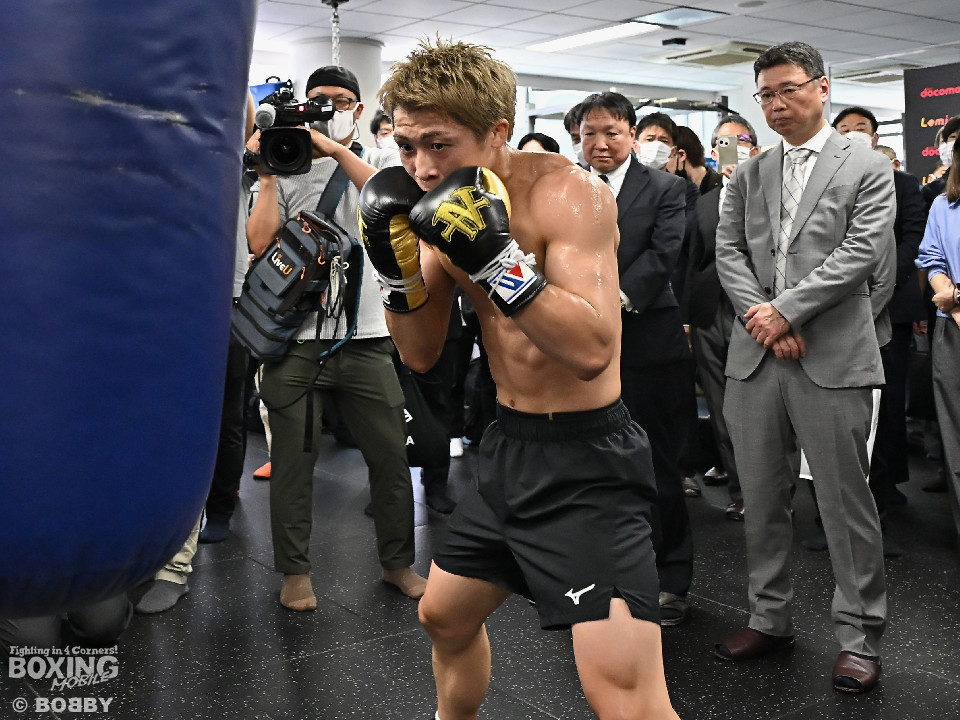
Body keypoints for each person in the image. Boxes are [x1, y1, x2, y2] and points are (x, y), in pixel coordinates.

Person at [363, 39, 679, 720]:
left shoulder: (570, 196)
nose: (421, 167)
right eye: (406, 146)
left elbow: (592, 349)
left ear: (496, 132)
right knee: (443, 615)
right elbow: (420, 353)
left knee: (624, 696)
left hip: (588, 462)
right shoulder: (435, 201)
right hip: (508, 448)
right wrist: (397, 273)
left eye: (439, 145)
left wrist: (495, 258)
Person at [713, 41, 895, 694]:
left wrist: (785, 312)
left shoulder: (866, 164)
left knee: (844, 504)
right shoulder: (750, 173)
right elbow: (729, 251)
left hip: (833, 355)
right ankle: (769, 617)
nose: (776, 103)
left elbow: (861, 253)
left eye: (788, 89)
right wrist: (763, 318)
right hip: (756, 358)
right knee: (762, 498)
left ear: (822, 87)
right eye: (765, 94)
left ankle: (859, 638)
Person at [246, 65, 427, 610]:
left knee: (391, 459)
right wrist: (269, 175)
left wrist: (333, 148)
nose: (331, 109)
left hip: (368, 340)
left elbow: (392, 199)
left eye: (343, 101)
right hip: (296, 344)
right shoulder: (285, 164)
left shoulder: (383, 163)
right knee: (293, 466)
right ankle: (294, 572)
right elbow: (258, 244)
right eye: (319, 99)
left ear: (358, 108)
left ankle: (398, 563)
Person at [580, 91, 696, 627]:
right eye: (589, 133)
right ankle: (603, 574)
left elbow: (663, 252)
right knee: (594, 467)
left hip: (647, 339)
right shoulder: (568, 188)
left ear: (631, 133)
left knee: (656, 464)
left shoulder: (667, 188)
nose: (600, 143)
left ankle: (670, 579)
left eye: (611, 132)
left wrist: (610, 304)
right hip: (580, 346)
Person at [682, 114, 763, 521]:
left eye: (740, 141)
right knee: (721, 406)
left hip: (759, 310)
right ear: (714, 153)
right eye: (722, 143)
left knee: (763, 407)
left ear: (755, 148)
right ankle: (741, 491)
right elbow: (693, 261)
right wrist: (687, 318)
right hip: (710, 312)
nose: (731, 149)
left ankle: (773, 492)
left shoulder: (772, 194)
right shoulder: (705, 201)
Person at [915, 137, 960, 550]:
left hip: (954, 307)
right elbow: (930, 256)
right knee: (955, 435)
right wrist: (944, 287)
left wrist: (957, 295)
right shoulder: (943, 205)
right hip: (951, 328)